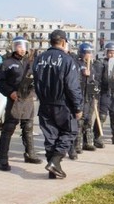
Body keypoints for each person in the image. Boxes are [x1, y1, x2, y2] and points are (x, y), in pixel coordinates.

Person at [32, 30, 83, 179]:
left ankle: (53, 170)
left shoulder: (39, 59)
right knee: (69, 132)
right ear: (63, 42)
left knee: (51, 137)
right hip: (62, 104)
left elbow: (35, 81)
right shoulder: (67, 60)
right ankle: (55, 161)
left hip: (44, 104)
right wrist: (78, 107)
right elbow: (72, 86)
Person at [0, 37, 42, 171]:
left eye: (24, 46)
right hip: (14, 100)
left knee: (28, 128)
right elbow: (1, 82)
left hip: (27, 99)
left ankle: (30, 154)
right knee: (9, 128)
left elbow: (37, 79)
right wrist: (10, 92)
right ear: (14, 47)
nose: (22, 49)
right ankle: (3, 158)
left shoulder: (31, 62)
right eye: (19, 46)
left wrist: (34, 92)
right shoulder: (7, 63)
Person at [68, 42, 102, 160]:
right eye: (87, 53)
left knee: (88, 120)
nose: (89, 55)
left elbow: (96, 80)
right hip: (81, 96)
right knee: (80, 121)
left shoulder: (92, 66)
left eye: (90, 53)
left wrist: (95, 87)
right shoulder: (77, 64)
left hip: (90, 96)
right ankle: (78, 144)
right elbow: (75, 79)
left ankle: (88, 142)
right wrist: (83, 75)